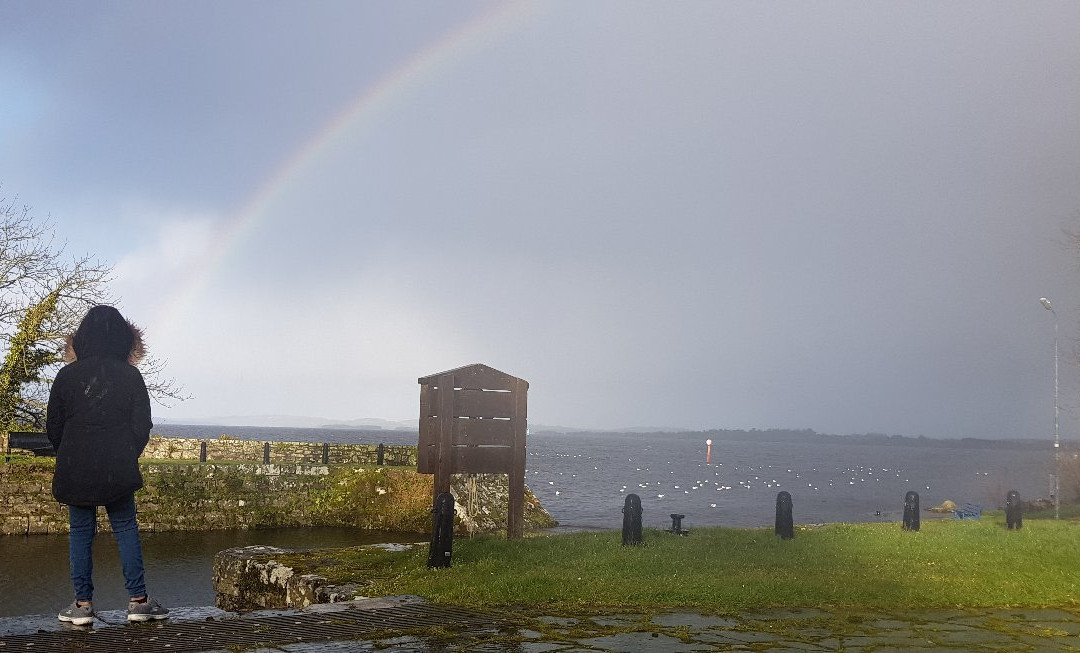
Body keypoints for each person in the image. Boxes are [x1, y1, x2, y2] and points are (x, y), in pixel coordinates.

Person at [46, 305, 169, 625]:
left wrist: (70, 454)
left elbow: (53, 426)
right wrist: (127, 453)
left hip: (76, 466)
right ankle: (139, 602)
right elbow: (142, 425)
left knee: (80, 533)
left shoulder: (67, 375)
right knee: (126, 528)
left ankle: (82, 606)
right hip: (118, 466)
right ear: (123, 339)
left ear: (82, 337)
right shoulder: (131, 375)